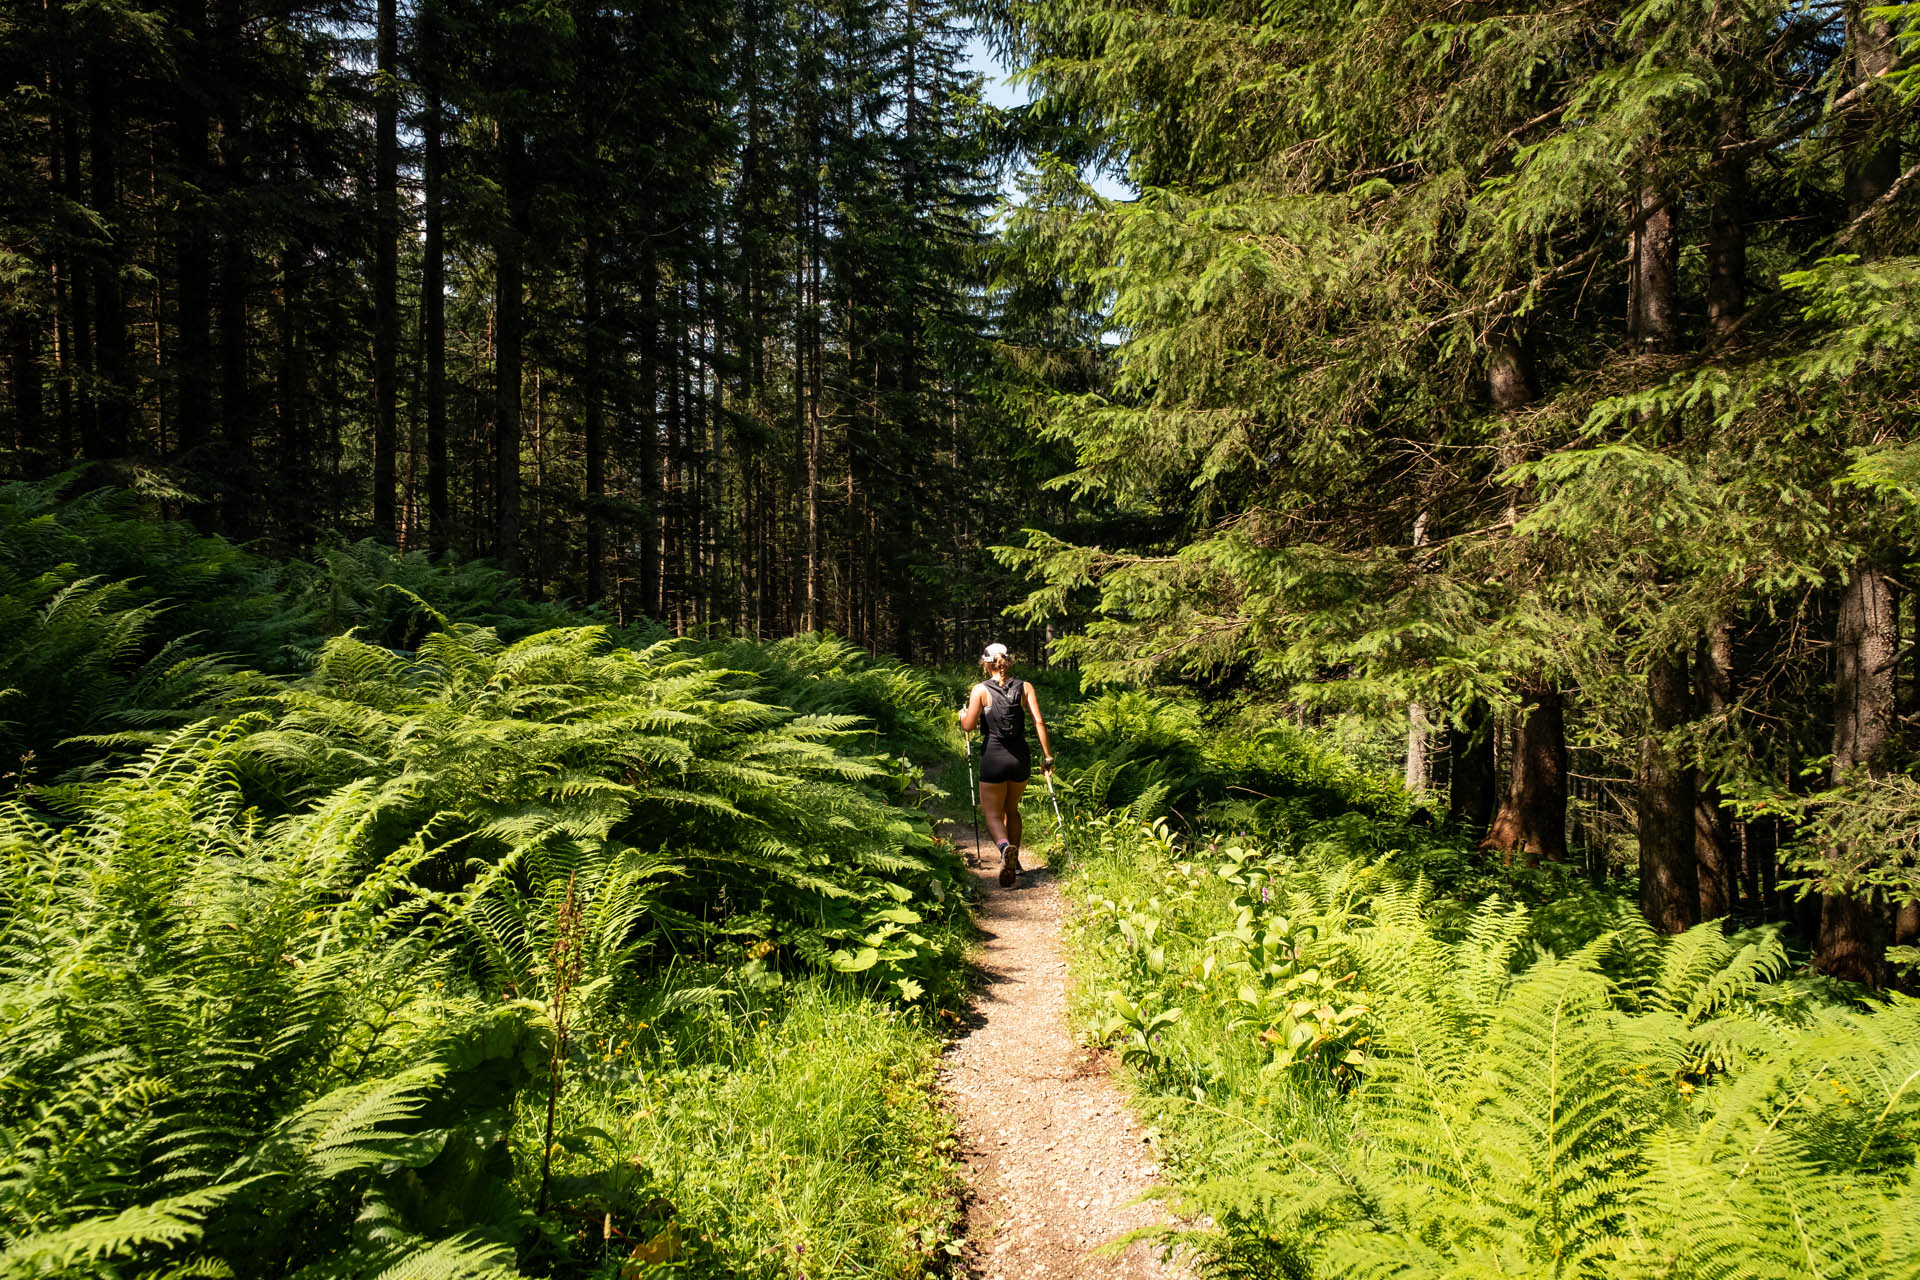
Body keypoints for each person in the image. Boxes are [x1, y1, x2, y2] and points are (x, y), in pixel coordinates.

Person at [958, 643, 1057, 887]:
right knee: (1011, 810)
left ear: (986, 664)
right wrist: (1047, 756)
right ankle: (1017, 862)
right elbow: (1038, 721)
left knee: (992, 814)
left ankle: (1004, 849)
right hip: (1019, 758)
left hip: (993, 757)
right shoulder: (1025, 687)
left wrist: (962, 716)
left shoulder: (980, 690)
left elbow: (968, 726)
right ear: (1007, 662)